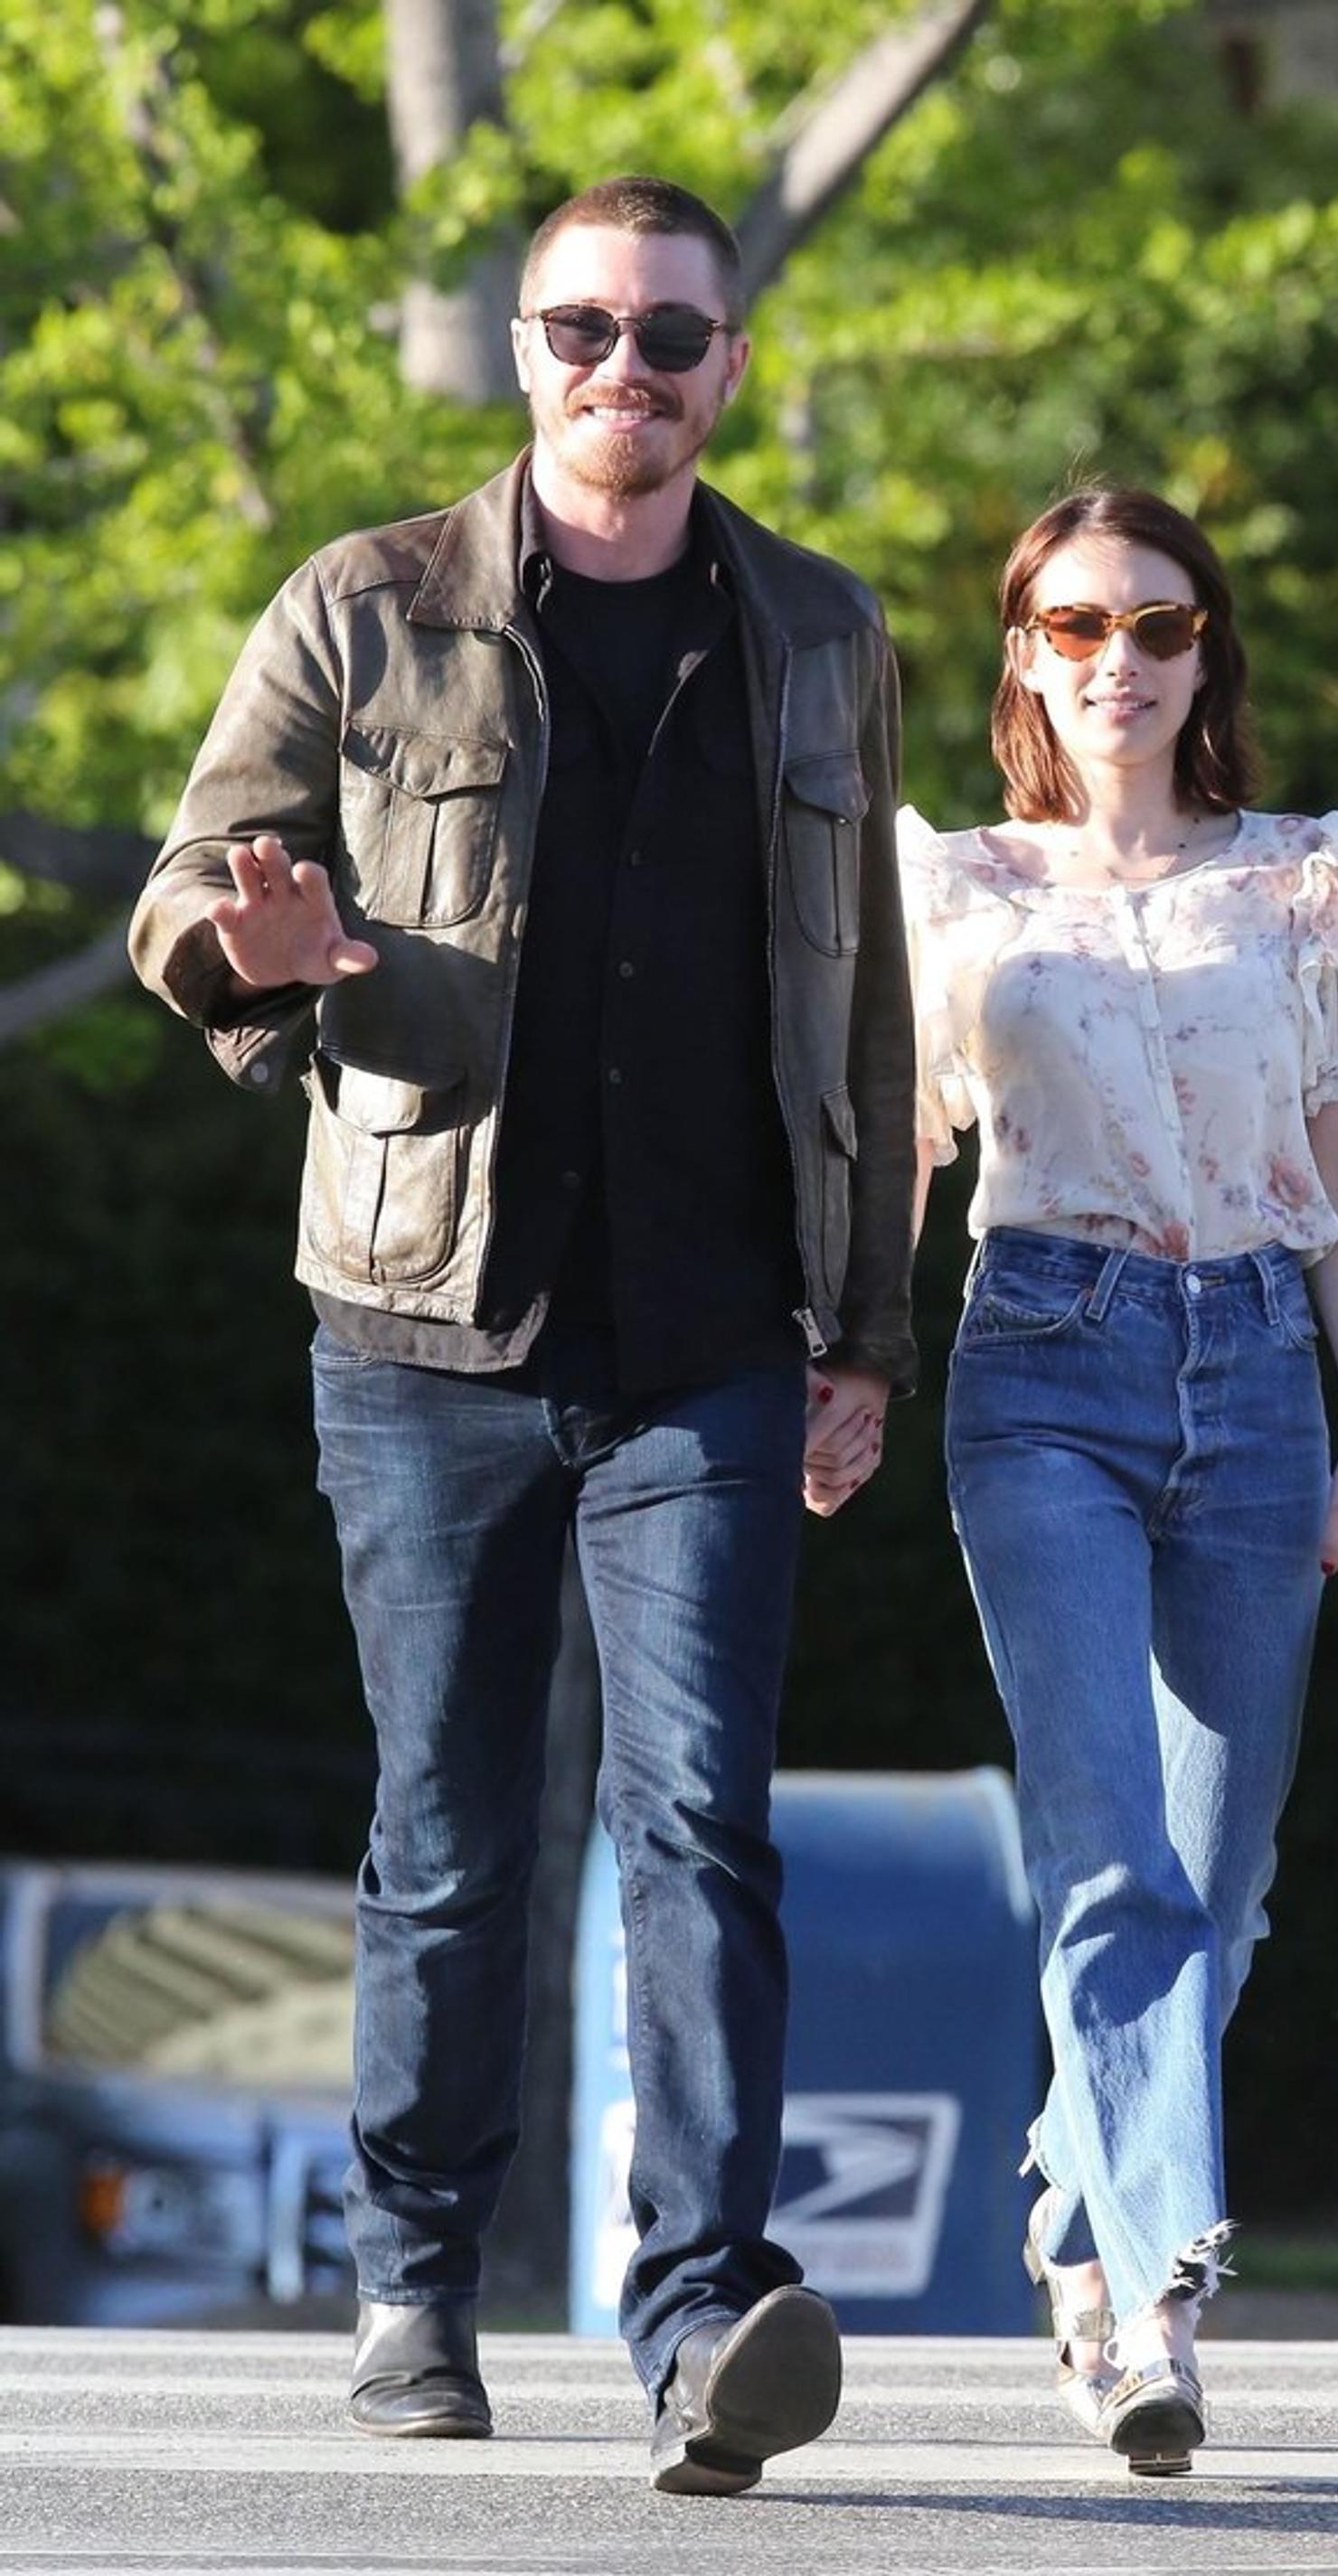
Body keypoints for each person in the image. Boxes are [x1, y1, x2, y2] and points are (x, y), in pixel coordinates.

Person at [128, 174, 914, 2496]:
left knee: (701, 1827)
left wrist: (868, 1332)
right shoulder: (364, 605)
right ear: (522, 348)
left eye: (669, 332)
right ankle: (415, 2280)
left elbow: (867, 1006)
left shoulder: (819, 635)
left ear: (730, 364)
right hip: (418, 1322)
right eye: (583, 325)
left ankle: (702, 2319)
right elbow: (192, 883)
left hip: (715, 1333)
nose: (623, 367)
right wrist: (249, 959)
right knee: (451, 1835)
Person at [899, 486, 1338, 2476]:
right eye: (1073, 624)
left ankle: (1073, 2197)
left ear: (1206, 654)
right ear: (1023, 658)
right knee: (1109, 1846)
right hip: (1042, 1361)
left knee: (1219, 1876)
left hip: (1262, 1373)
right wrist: (846, 1363)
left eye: (1156, 622)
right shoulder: (955, 892)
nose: (1115, 658)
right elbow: (907, 1153)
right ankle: (1152, 2315)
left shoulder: (1307, 885)